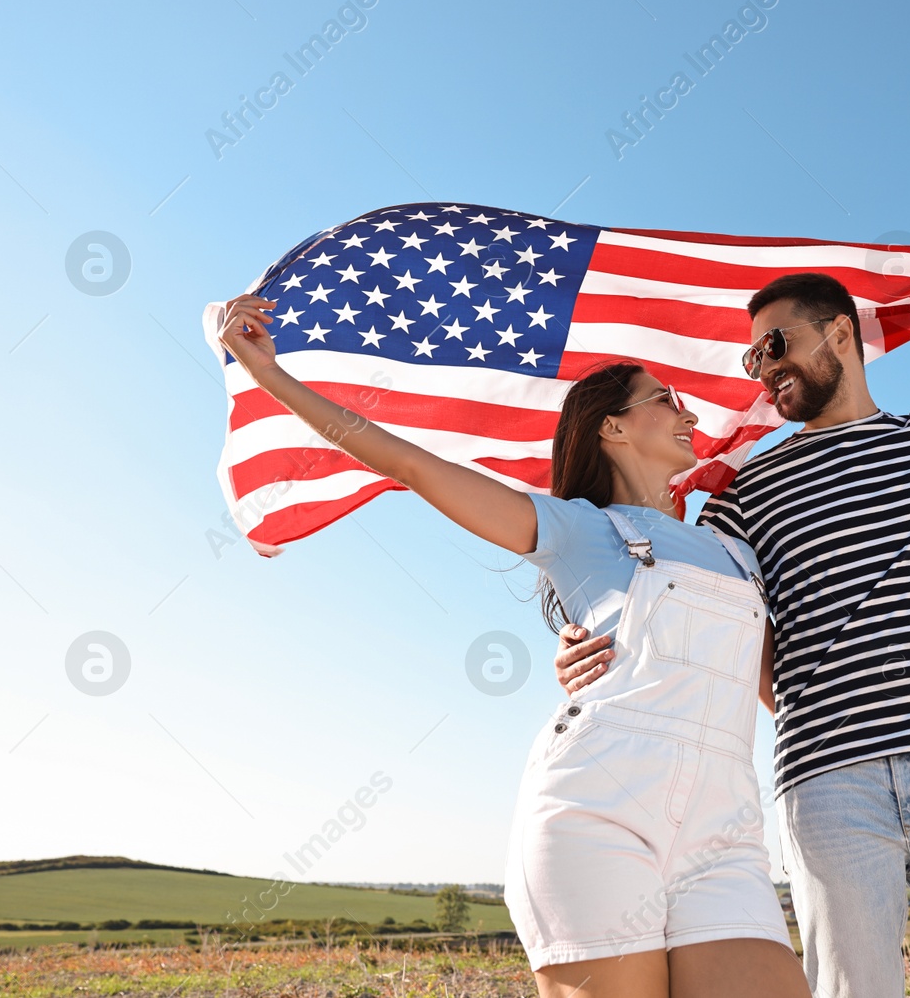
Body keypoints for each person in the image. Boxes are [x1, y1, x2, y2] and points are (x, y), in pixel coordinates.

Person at [215, 291, 811, 998]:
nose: (689, 414)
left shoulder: (734, 547)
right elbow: (408, 463)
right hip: (598, 815)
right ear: (612, 428)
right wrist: (267, 374)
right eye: (664, 399)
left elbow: (785, 687)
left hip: (724, 827)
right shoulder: (572, 528)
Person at [555, 246, 910, 997]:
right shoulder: (747, 487)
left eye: (776, 344)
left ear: (841, 334)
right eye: (754, 357)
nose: (763, 368)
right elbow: (664, 586)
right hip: (826, 786)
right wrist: (588, 639)